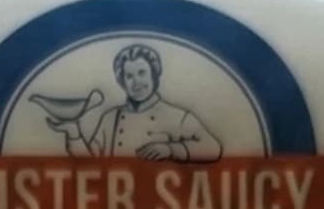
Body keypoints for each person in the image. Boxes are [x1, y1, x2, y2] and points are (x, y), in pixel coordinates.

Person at [53, 46, 221, 162]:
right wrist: (74, 135)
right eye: (129, 76)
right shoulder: (110, 118)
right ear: (122, 82)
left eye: (142, 73)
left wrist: (170, 150)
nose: (136, 82)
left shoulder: (178, 116)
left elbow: (213, 148)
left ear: (154, 75)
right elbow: (90, 162)